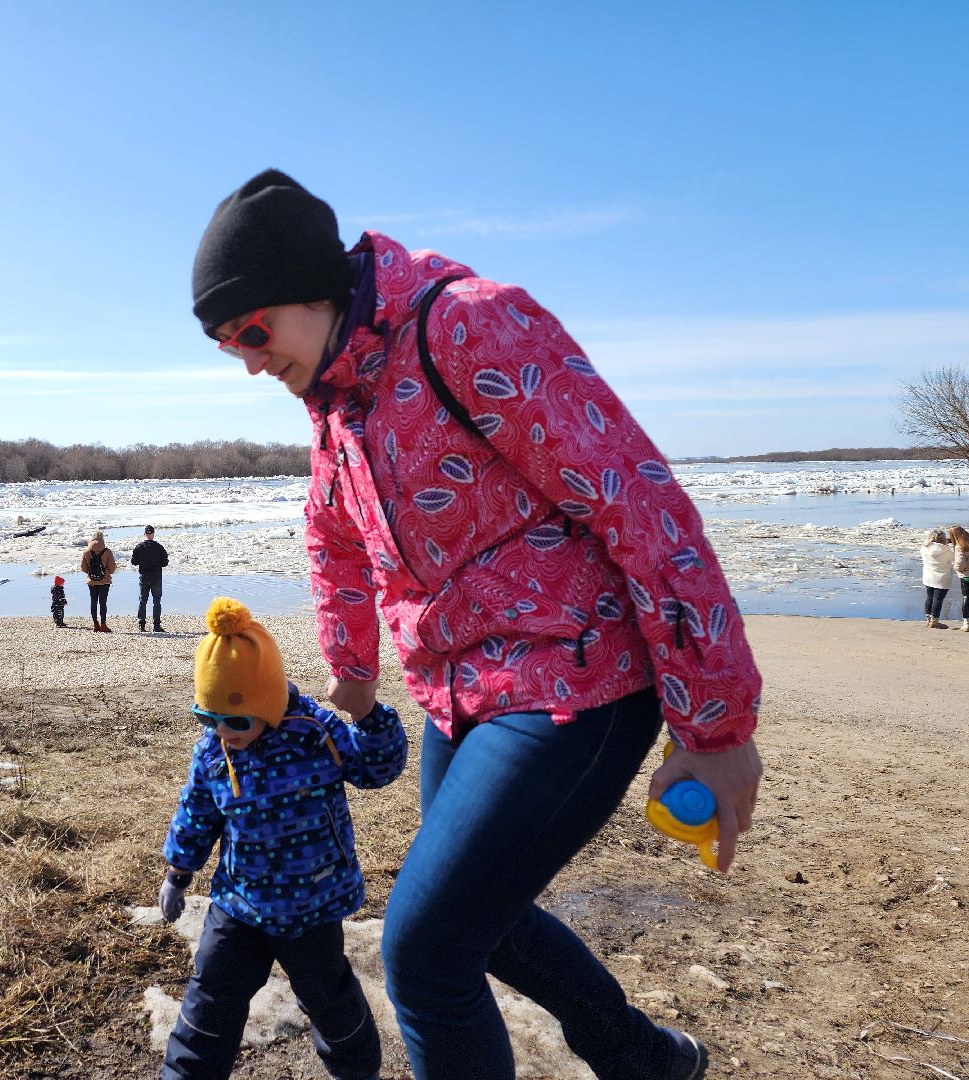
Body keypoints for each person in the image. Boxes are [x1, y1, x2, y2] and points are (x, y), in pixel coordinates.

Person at [191, 169, 764, 1080]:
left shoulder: (469, 324)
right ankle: (641, 1057)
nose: (250, 360)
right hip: (462, 693)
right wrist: (354, 666)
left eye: (253, 330)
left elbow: (639, 503)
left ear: (316, 285)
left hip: (580, 677)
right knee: (479, 924)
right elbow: (332, 534)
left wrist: (717, 725)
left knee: (424, 952)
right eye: (229, 346)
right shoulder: (336, 400)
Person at [159, 597, 407, 1080]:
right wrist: (177, 872)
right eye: (207, 717)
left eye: (233, 720)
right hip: (239, 904)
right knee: (211, 996)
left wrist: (370, 714)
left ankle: (359, 1071)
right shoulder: (214, 750)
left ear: (267, 703)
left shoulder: (317, 732)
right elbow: (196, 813)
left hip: (311, 904)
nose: (222, 732)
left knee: (329, 997)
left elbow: (378, 767)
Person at [131, 524, 170, 632]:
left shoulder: (139, 547)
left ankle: (142, 624)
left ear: (145, 534)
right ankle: (156, 625)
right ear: (153, 534)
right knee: (156, 601)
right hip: (156, 577)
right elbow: (165, 563)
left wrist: (143, 561)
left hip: (144, 576)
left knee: (143, 600)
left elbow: (134, 562)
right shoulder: (159, 547)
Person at [81, 530, 115, 632]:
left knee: (93, 602)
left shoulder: (87, 552)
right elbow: (112, 568)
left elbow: (83, 567)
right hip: (105, 581)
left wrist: (90, 573)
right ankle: (103, 625)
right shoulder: (107, 552)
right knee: (103, 602)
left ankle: (96, 624)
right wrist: (106, 573)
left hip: (91, 581)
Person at [919, 530, 953, 629]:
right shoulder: (945, 550)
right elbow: (955, 557)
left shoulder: (924, 548)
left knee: (929, 598)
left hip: (928, 577)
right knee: (938, 599)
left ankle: (928, 620)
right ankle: (934, 621)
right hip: (942, 578)